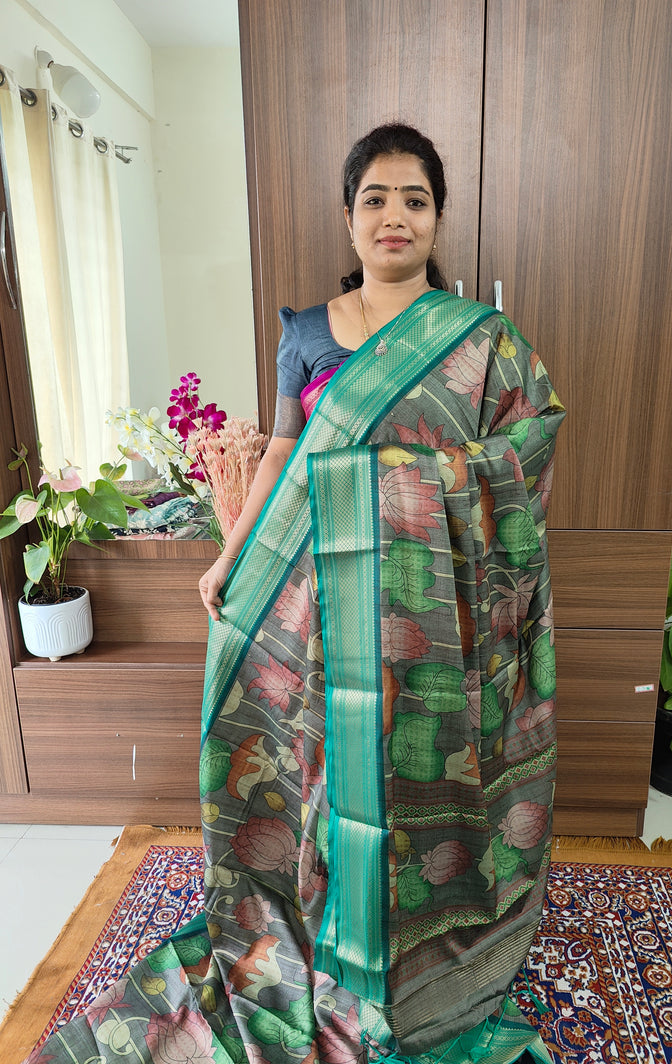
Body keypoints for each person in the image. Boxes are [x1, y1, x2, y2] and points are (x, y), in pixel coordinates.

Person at [28, 125, 564, 1064]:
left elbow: (522, 456)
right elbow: (282, 453)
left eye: (415, 200)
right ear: (349, 218)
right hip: (313, 606)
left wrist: (396, 482)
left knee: (409, 774)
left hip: (426, 622)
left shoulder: (486, 345)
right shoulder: (307, 332)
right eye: (375, 199)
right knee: (317, 773)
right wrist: (231, 557)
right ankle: (317, 930)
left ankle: (411, 954)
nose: (394, 216)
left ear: (437, 222)